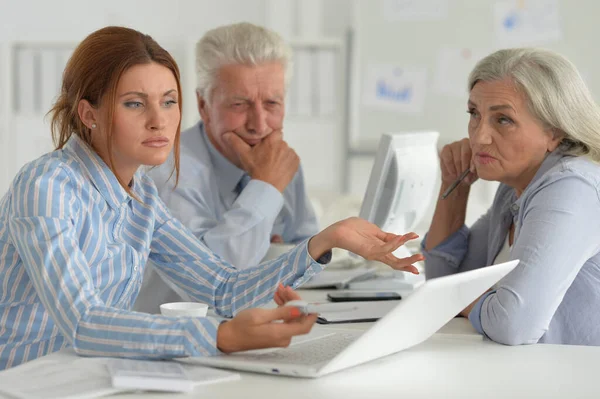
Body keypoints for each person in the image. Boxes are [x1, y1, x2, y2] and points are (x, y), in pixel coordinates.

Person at [0, 26, 423, 370]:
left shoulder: (141, 194)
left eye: (168, 102)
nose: (158, 120)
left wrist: (325, 241)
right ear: (88, 114)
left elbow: (222, 287)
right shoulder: (47, 186)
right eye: (134, 104)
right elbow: (84, 323)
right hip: (25, 382)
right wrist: (218, 337)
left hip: (91, 377)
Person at [134, 22, 320, 313]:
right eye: (239, 104)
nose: (259, 125)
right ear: (204, 105)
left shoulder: (279, 159)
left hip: (254, 325)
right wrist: (266, 189)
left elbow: (306, 247)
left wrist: (275, 255)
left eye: (272, 103)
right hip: (175, 339)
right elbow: (213, 289)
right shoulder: (170, 172)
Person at [423, 48, 600, 346]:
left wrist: (455, 300)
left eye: (503, 120)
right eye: (474, 114)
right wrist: (454, 187)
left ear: (554, 132)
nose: (479, 137)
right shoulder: (515, 184)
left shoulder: (571, 186)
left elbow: (513, 324)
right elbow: (444, 277)